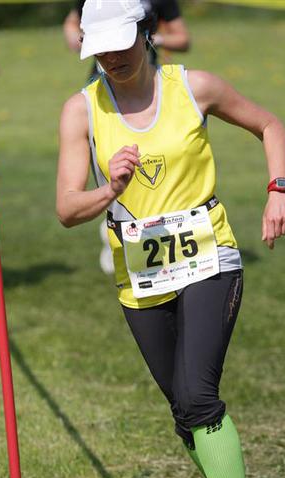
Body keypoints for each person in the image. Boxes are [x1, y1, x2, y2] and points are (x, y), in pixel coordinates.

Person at [56, 0, 285, 478]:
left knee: (198, 395)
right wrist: (109, 189)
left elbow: (270, 124)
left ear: (146, 32)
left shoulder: (195, 87)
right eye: (101, 49)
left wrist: (278, 189)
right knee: (185, 413)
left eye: (122, 43)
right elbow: (66, 208)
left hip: (210, 255)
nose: (113, 58)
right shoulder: (81, 110)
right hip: (141, 274)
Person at [63, 0, 190, 274]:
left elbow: (183, 38)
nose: (112, 53)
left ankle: (164, 233)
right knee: (119, 170)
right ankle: (119, 227)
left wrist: (145, 37)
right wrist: (81, 37)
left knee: (154, 167)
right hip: (103, 91)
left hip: (149, 88)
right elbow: (72, 23)